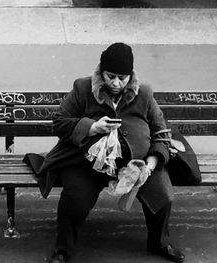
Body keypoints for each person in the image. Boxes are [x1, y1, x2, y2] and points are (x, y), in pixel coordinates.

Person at [25, 42, 185, 263]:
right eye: (110, 76)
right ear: (101, 71)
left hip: (136, 163)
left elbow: (161, 133)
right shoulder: (83, 88)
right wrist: (92, 127)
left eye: (122, 77)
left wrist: (150, 164)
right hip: (88, 162)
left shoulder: (144, 94)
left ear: (131, 76)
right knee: (74, 198)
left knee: (162, 194)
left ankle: (159, 242)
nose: (116, 83)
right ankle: (62, 250)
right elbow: (59, 122)